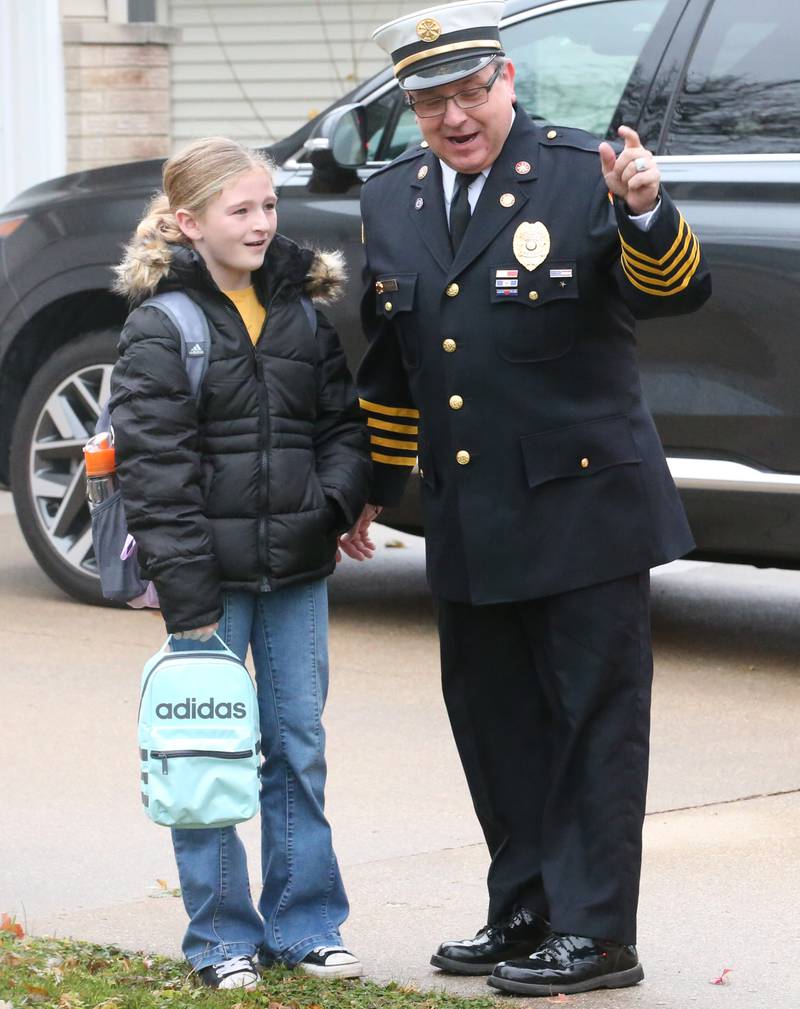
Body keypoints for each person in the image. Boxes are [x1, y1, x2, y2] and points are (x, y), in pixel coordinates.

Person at [341, 0, 711, 997]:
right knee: (494, 721)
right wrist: (364, 491)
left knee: (592, 721)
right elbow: (390, 369)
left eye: (469, 92)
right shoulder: (390, 203)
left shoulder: (580, 170)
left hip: (585, 509)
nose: (454, 117)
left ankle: (596, 934)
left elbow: (675, 289)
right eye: (431, 102)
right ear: (409, 109)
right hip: (470, 512)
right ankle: (523, 911)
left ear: (506, 81)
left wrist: (642, 208)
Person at [109, 137, 371, 989]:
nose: (262, 224)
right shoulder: (161, 326)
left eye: (269, 207)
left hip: (295, 574)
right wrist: (187, 600)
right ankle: (220, 937)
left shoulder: (299, 310)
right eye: (241, 210)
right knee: (209, 755)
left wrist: (329, 508)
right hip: (208, 587)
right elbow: (155, 473)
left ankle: (306, 924)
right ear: (189, 224)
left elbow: (341, 426)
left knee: (298, 745)